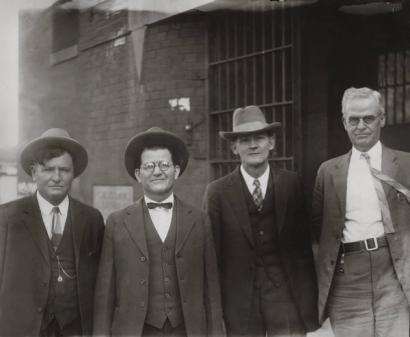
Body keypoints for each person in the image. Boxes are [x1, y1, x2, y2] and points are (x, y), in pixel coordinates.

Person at [93, 127, 225, 337]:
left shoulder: (199, 220)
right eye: (149, 166)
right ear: (138, 174)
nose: (157, 171)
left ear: (176, 171)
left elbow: (211, 289)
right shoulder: (117, 222)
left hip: (187, 330)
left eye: (164, 165)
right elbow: (105, 292)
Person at [203, 106, 319, 337]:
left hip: (285, 296)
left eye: (259, 138)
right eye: (245, 140)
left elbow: (304, 250)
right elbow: (211, 257)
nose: (253, 145)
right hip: (238, 302)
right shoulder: (217, 192)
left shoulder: (292, 184)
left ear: (272, 143)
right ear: (235, 147)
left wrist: (309, 306)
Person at [312, 87, 410, 337]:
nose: (361, 126)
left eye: (368, 118)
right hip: (348, 278)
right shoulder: (328, 171)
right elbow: (317, 228)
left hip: (395, 272)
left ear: (382, 119)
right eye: (353, 119)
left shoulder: (406, 164)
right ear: (344, 122)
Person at [0, 128, 105, 337]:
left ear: (74, 173)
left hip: (75, 330)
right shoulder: (7, 217)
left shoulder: (91, 219)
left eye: (64, 170)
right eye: (48, 169)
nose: (56, 177)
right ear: (33, 173)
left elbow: (101, 282)